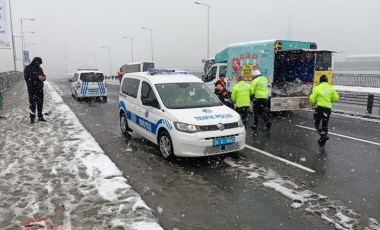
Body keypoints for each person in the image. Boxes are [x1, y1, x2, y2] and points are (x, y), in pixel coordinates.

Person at [309, 75, 339, 147]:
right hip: (327, 109)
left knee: (316, 123)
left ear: (320, 80)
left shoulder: (317, 88)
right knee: (325, 124)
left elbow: (312, 98)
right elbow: (336, 98)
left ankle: (322, 135)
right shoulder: (330, 88)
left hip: (319, 108)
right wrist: (330, 100)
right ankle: (322, 140)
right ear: (326, 81)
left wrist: (313, 101)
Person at [24, 57, 47, 124]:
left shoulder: (40, 69)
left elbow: (42, 77)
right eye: (39, 63)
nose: (39, 65)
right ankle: (32, 118)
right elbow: (26, 78)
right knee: (32, 104)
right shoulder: (27, 68)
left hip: (40, 89)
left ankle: (40, 117)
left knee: (40, 104)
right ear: (36, 62)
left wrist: (44, 78)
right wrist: (37, 77)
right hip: (32, 90)